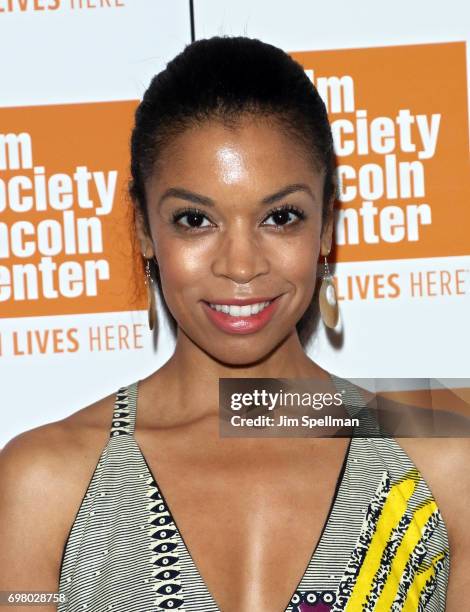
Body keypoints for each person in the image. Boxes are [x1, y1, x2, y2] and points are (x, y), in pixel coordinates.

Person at [0, 36, 469, 612]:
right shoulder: (45, 483)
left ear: (326, 227)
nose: (241, 265)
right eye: (195, 219)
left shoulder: (444, 456)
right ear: (144, 228)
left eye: (281, 217)